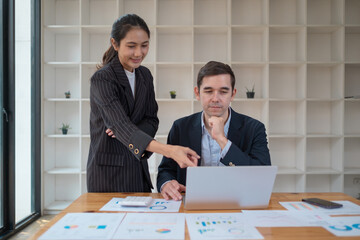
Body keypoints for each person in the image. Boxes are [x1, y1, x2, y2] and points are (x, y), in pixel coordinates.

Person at [87, 14, 199, 193]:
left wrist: (128, 131)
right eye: (131, 46)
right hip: (108, 175)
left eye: (144, 45)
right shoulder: (102, 79)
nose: (139, 53)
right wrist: (169, 151)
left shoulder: (144, 75)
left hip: (138, 169)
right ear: (115, 44)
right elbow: (120, 125)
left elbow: (151, 119)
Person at [157, 61, 271, 200]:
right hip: (191, 201)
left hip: (239, 201)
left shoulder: (254, 128)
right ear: (197, 93)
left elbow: (262, 176)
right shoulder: (180, 127)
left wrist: (222, 141)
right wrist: (167, 183)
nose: (215, 98)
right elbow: (166, 170)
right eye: (208, 91)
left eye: (223, 92)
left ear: (233, 94)